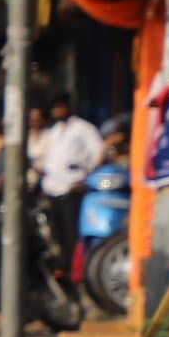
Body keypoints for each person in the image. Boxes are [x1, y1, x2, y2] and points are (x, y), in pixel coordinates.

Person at [36, 93, 106, 248]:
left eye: (60, 107)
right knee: (56, 233)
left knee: (71, 233)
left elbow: (98, 153)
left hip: (72, 188)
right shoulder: (54, 131)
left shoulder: (83, 128)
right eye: (54, 108)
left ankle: (73, 267)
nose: (57, 111)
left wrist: (86, 178)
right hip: (52, 189)